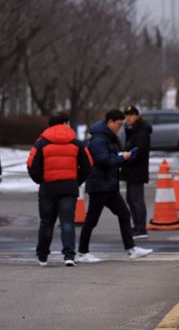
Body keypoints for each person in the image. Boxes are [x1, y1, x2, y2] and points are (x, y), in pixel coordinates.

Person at [78, 109, 153, 262]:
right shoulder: (99, 139)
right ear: (110, 122)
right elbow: (104, 161)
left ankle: (132, 249)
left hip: (108, 185)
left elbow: (108, 157)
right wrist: (122, 158)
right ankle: (82, 253)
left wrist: (120, 156)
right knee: (92, 220)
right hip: (100, 185)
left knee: (124, 215)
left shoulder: (108, 137)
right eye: (118, 124)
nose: (120, 127)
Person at [27, 112, 93, 266]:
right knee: (67, 222)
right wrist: (76, 181)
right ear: (65, 124)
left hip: (48, 188)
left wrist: (41, 181)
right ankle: (69, 256)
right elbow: (88, 165)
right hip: (68, 188)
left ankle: (42, 256)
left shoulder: (41, 143)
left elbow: (31, 165)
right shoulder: (76, 143)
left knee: (46, 222)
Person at [121, 106, 153, 239]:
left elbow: (139, 152)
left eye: (130, 115)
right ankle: (137, 226)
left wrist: (126, 159)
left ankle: (141, 228)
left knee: (137, 200)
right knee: (130, 199)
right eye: (126, 115)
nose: (128, 118)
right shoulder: (132, 130)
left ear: (137, 116)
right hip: (131, 169)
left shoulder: (141, 131)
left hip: (137, 170)